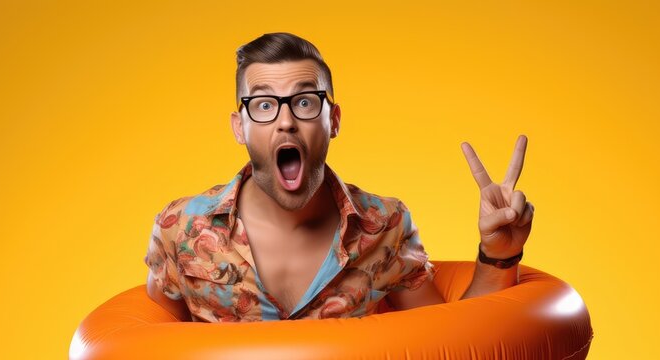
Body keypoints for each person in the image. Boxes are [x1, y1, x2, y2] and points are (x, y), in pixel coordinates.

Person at [144, 32, 535, 322]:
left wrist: (498, 254)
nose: (286, 122)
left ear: (333, 120)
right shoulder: (180, 228)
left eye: (304, 102)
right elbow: (152, 340)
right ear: (238, 127)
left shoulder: (386, 226)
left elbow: (452, 340)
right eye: (263, 105)